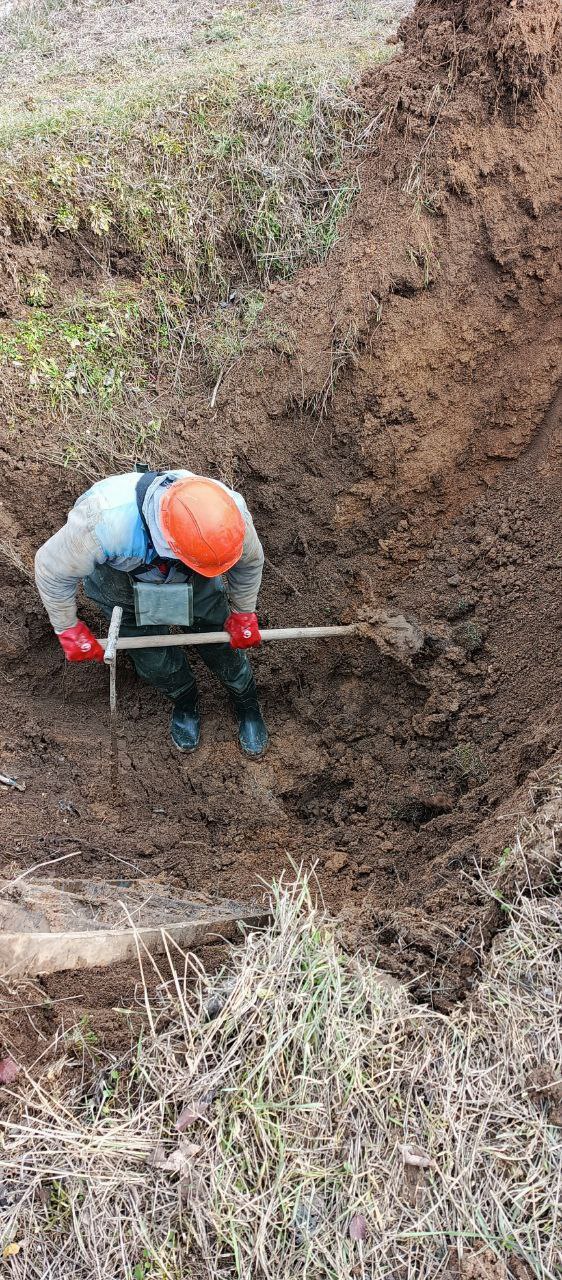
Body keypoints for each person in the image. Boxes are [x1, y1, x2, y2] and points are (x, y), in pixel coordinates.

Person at [34, 468, 268, 757]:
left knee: (221, 642)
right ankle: (185, 701)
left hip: (195, 579)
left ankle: (246, 703)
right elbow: (51, 571)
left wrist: (244, 613)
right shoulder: (102, 524)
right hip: (122, 584)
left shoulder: (229, 519)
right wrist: (67, 628)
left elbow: (250, 563)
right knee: (154, 661)